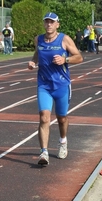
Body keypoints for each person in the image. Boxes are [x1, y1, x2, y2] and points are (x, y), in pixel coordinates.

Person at [27, 12, 83, 166]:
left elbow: (79, 56)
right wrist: (33, 62)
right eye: (46, 22)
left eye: (52, 22)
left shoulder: (64, 39)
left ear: (57, 24)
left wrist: (66, 59)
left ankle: (63, 141)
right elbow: (37, 54)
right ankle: (43, 152)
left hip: (61, 85)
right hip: (44, 85)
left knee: (61, 118)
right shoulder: (38, 39)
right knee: (44, 117)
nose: (49, 25)